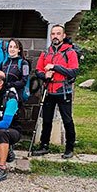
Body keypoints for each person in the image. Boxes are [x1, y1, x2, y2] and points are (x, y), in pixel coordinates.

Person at [33, 24, 79, 159]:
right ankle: (44, 146)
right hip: (49, 90)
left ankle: (69, 148)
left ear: (63, 36)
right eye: (53, 34)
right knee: (46, 120)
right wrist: (44, 76)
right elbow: (38, 70)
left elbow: (73, 71)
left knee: (67, 120)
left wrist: (55, 67)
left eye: (58, 34)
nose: (55, 36)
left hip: (63, 91)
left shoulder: (70, 52)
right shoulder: (45, 53)